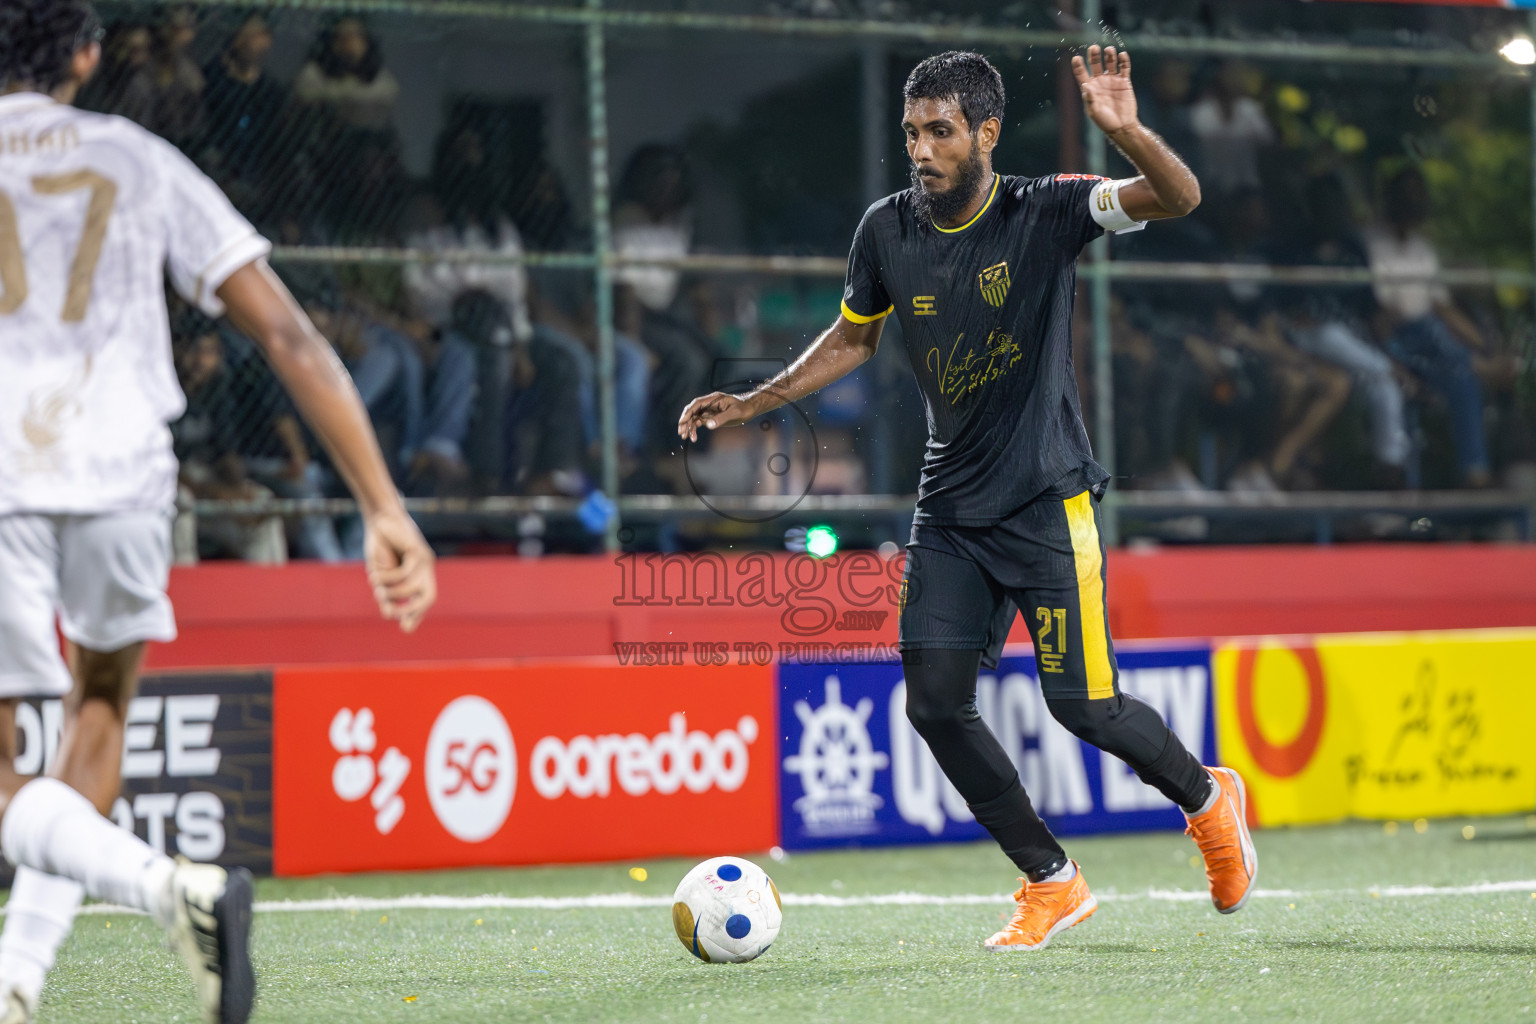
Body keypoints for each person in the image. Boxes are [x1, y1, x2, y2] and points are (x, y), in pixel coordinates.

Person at [679, 48, 1256, 951]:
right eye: (911, 131)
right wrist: (757, 400)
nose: (920, 148)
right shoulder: (885, 229)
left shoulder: (1050, 208)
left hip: (1045, 502)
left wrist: (1127, 132)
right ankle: (1051, 880)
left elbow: (1177, 198)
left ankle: (1208, 798)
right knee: (934, 702)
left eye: (940, 130)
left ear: (986, 133)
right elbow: (853, 337)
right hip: (949, 510)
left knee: (1085, 708)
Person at [0, 5, 437, 1023]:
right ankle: (17, 978)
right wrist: (381, 506)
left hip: (4, 475)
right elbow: (288, 333)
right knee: (97, 705)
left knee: (12, 771)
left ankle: (170, 889)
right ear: (85, 54)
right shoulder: (138, 155)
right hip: (124, 471)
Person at [1365, 166, 1491, 487]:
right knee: (1440, 351)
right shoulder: (1370, 242)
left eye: (1419, 195)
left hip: (1429, 340)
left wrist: (1483, 345)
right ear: (1392, 199)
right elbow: (1379, 310)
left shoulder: (1423, 248)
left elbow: (1441, 305)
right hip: (1390, 338)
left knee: (1463, 371)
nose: (1415, 203)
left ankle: (1474, 468)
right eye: (1408, 195)